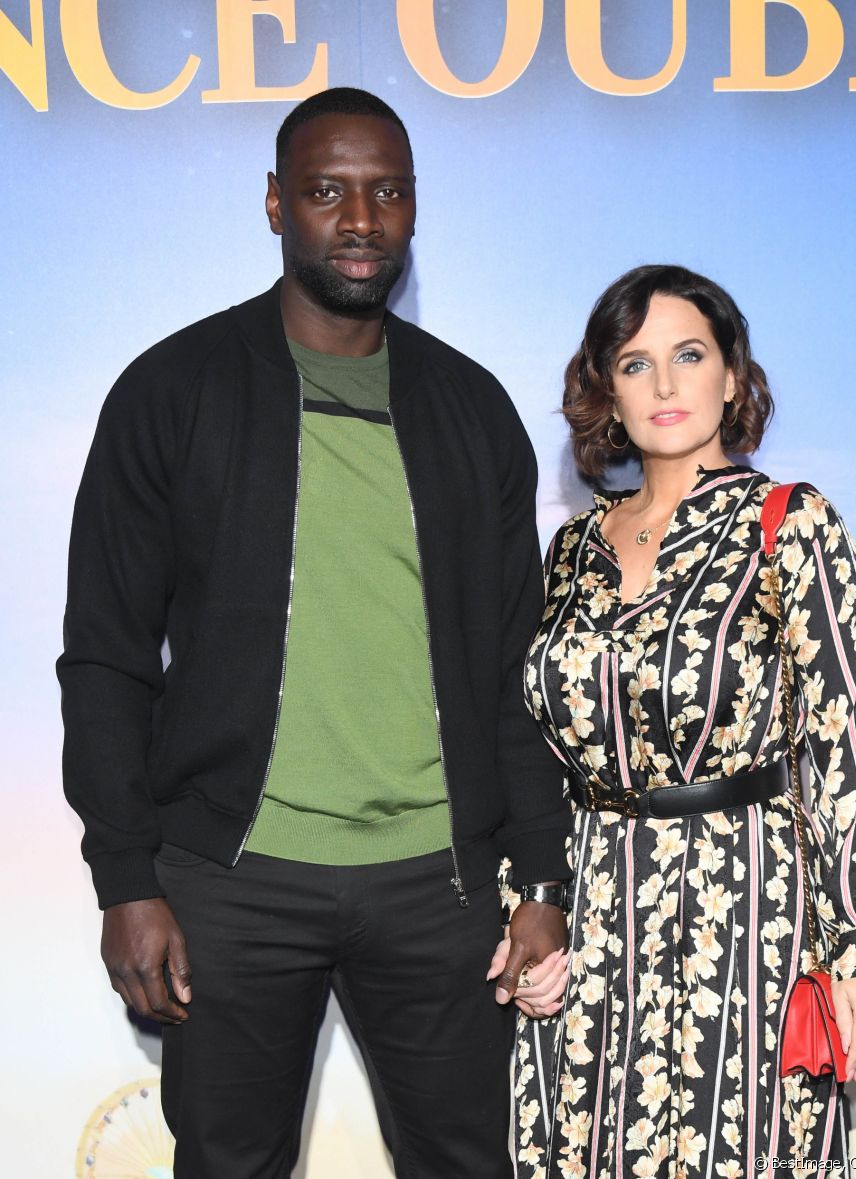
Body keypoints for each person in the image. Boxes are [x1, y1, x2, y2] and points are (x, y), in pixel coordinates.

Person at [57, 87, 571, 1179]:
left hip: (440, 882)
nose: (359, 218)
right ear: (274, 204)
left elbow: (510, 669)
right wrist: (124, 878)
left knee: (470, 1163)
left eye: (387, 192)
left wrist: (540, 877)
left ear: (413, 210)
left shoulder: (469, 411)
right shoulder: (172, 392)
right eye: (327, 190)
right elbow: (104, 656)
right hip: (230, 886)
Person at [509, 265, 856, 1176]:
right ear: (607, 389)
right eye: (635, 364)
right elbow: (531, 746)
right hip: (595, 916)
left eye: (690, 355)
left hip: (748, 910)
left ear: (732, 376)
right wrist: (528, 902)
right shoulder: (571, 548)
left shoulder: (790, 523)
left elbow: (848, 744)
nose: (667, 384)